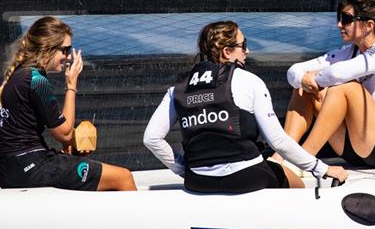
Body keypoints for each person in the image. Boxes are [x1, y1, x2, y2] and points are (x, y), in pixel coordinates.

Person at [143, 21, 348, 193]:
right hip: (247, 176)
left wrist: (183, 169)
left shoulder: (177, 88)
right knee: (296, 184)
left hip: (198, 182)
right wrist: (321, 168)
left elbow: (151, 138)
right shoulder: (249, 80)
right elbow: (278, 141)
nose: (247, 51)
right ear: (227, 51)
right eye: (243, 45)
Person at [0, 16, 136, 191]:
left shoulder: (11, 77)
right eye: (65, 50)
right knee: (123, 177)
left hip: (8, 171)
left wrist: (68, 148)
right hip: (32, 167)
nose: (68, 57)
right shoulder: (36, 80)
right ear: (47, 49)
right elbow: (64, 134)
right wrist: (71, 86)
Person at [282, 0, 375, 168]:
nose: (339, 24)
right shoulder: (349, 51)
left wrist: (313, 79)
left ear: (368, 25)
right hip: (356, 147)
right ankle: (282, 156)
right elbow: (294, 70)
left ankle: (302, 160)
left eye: (346, 19)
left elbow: (337, 74)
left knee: (345, 88)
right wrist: (304, 79)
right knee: (302, 87)